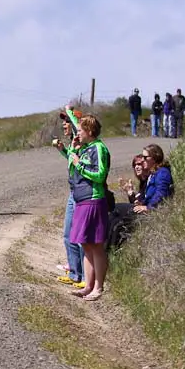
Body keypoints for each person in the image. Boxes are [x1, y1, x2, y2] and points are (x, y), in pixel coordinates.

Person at [64, 114, 111, 301]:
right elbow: (73, 170)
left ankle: (98, 287)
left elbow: (100, 175)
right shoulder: (86, 148)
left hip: (93, 199)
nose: (78, 134)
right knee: (85, 243)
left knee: (96, 245)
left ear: (90, 131)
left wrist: (79, 164)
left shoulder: (98, 148)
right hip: (82, 199)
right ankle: (88, 284)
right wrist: (72, 152)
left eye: (81, 130)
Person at [53, 108, 84, 287]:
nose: (64, 125)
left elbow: (74, 123)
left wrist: (68, 110)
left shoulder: (82, 141)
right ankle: (74, 273)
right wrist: (63, 151)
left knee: (79, 236)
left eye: (67, 122)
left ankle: (83, 276)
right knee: (68, 234)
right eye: (63, 122)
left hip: (81, 193)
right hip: (73, 192)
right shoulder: (73, 142)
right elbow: (72, 160)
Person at [133, 144, 174, 214]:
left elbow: (161, 193)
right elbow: (149, 196)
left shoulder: (162, 173)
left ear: (155, 158)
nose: (142, 160)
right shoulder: (153, 173)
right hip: (147, 209)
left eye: (145, 157)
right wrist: (141, 203)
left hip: (153, 212)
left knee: (118, 211)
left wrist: (148, 208)